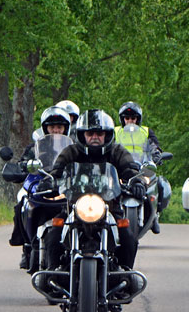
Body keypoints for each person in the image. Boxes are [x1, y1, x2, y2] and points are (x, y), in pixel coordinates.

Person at [42, 109, 144, 270]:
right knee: (54, 233)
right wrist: (49, 182)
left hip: (110, 208)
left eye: (99, 133)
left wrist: (137, 182)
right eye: (90, 133)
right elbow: (57, 171)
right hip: (73, 208)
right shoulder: (71, 151)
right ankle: (53, 273)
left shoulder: (117, 152)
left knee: (128, 237)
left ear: (107, 135)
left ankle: (125, 275)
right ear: (82, 135)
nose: (95, 137)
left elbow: (130, 170)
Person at [8, 106, 71, 268]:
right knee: (22, 200)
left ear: (65, 129)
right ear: (45, 128)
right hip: (39, 184)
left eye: (59, 127)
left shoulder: (73, 148)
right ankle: (26, 245)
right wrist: (23, 166)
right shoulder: (34, 147)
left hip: (64, 187)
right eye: (52, 127)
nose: (56, 130)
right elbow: (23, 162)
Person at [113, 101, 169, 233]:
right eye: (127, 118)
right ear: (123, 119)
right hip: (121, 168)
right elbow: (109, 146)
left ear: (138, 119)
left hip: (142, 167)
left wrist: (156, 155)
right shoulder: (115, 132)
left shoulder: (146, 131)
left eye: (133, 118)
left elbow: (155, 145)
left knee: (159, 184)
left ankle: (154, 215)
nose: (130, 121)